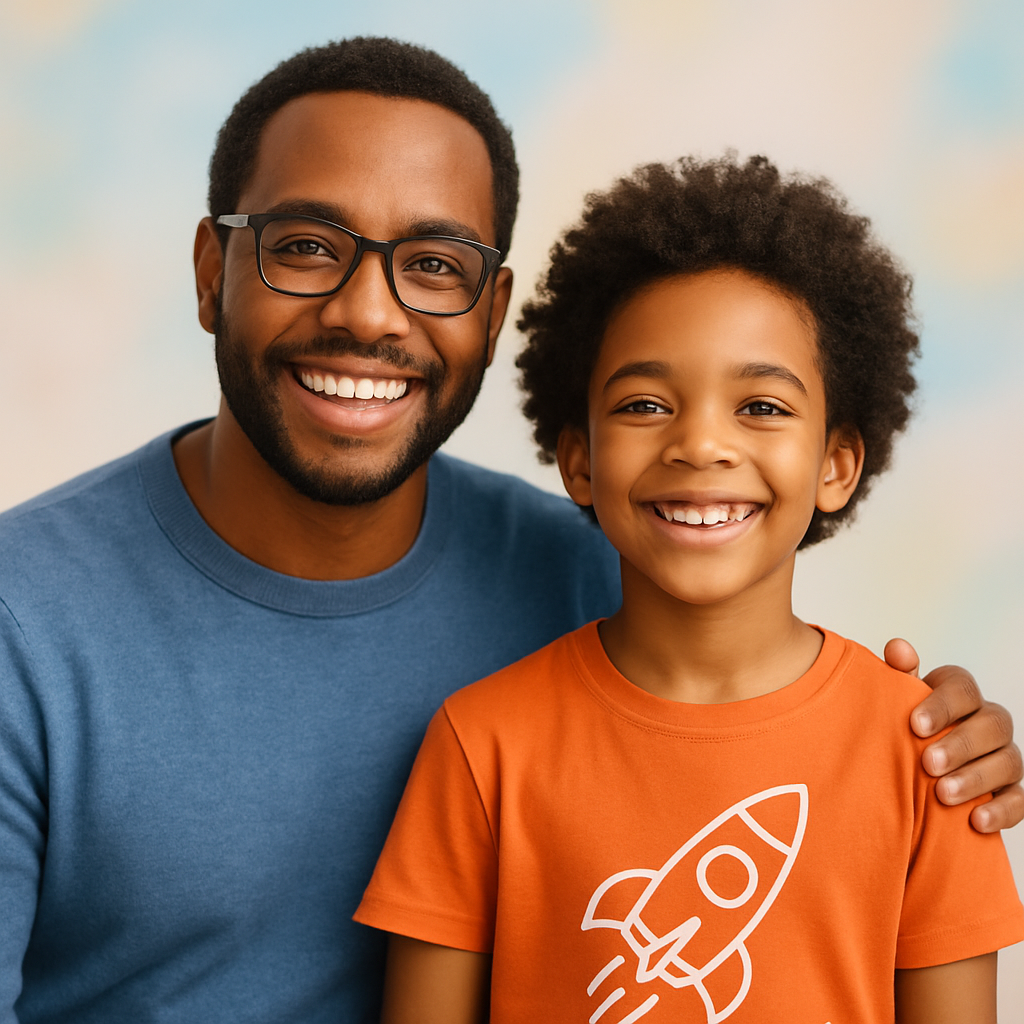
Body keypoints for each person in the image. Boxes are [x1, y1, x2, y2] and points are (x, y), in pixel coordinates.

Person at [0, 38, 1017, 1024]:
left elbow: (761, 705)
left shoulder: (594, 567)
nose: (368, 312)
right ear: (212, 269)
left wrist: (942, 740)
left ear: (493, 313)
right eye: (307, 247)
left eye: (434, 264)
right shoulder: (26, 621)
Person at [355, 155, 1024, 1023]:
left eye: (763, 408)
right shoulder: (483, 747)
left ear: (837, 464)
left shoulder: (925, 759)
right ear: (580, 459)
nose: (701, 445)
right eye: (643, 404)